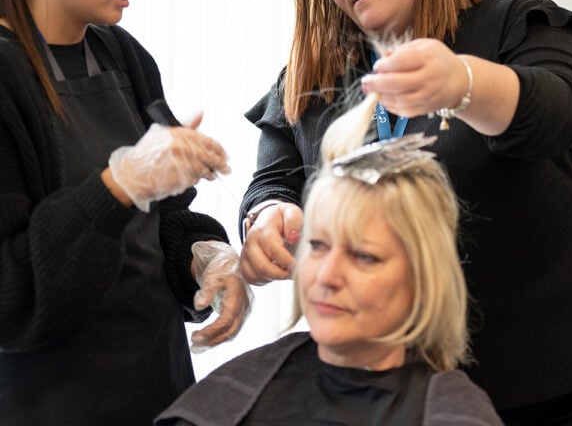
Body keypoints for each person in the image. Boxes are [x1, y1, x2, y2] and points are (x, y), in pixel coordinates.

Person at [238, 0, 572, 425]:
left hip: (554, 382)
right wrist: (269, 215)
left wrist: (466, 85)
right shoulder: (323, 68)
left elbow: (558, 110)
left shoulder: (512, 25)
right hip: (402, 393)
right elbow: (275, 173)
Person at [0, 0, 252, 426]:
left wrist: (203, 257)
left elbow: (160, 221)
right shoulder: (6, 77)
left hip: (155, 390)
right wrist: (117, 186)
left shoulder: (123, 57)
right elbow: (9, 297)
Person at [155, 96, 504, 426]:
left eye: (364, 256)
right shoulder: (233, 393)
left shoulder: (453, 413)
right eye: (318, 246)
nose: (327, 275)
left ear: (423, 279)